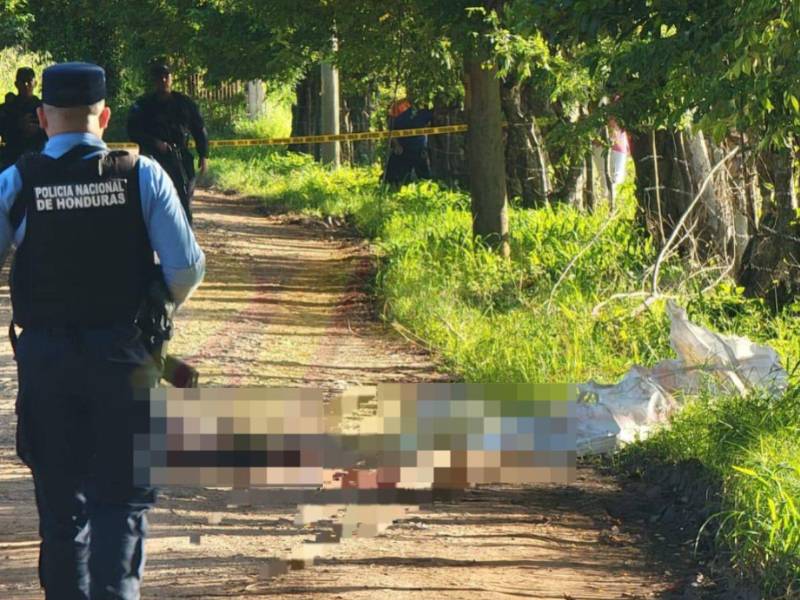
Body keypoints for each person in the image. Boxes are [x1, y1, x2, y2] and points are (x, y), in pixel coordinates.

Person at [0, 61, 205, 599]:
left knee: (62, 508)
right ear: (105, 116)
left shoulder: (18, 180)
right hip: (127, 361)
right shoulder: (142, 174)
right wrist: (155, 306)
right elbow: (186, 268)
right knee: (122, 503)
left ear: (43, 118)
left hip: (47, 364)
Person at [127, 60, 208, 224]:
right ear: (154, 81)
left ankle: (186, 236)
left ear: (171, 78)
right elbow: (133, 131)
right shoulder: (143, 105)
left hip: (180, 158)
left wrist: (203, 154)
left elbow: (199, 128)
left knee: (184, 200)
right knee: (153, 202)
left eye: (166, 76)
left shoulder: (184, 103)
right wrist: (155, 143)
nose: (163, 80)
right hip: (153, 159)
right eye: (159, 77)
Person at [0, 67, 47, 170]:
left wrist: (39, 130)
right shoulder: (7, 108)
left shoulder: (43, 108)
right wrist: (17, 126)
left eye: (29, 81)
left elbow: (54, 133)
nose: (26, 85)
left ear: (35, 83)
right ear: (16, 84)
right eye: (23, 82)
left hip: (37, 156)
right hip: (12, 157)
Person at [382, 98, 433, 185]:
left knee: (424, 176)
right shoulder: (398, 106)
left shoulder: (423, 108)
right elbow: (391, 129)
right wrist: (396, 145)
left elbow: (430, 126)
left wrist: (425, 146)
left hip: (418, 148)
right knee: (396, 174)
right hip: (403, 149)